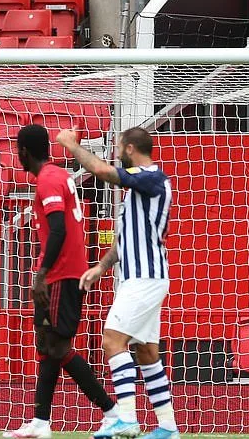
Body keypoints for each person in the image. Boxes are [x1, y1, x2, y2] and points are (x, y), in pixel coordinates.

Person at [57, 126, 178, 439]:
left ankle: (125, 418)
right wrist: (101, 267)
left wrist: (71, 146)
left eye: (118, 147)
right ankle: (167, 427)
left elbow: (100, 170)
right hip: (140, 277)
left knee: (112, 338)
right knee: (147, 352)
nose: (115, 153)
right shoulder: (137, 186)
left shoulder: (152, 177)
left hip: (145, 277)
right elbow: (125, 238)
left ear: (130, 149)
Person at [3, 125, 118, 439]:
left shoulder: (49, 179)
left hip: (62, 274)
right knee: (46, 344)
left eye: (17, 149)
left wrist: (41, 275)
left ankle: (110, 410)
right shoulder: (55, 175)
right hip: (60, 272)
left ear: (24, 152)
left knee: (57, 346)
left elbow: (58, 230)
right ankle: (40, 422)